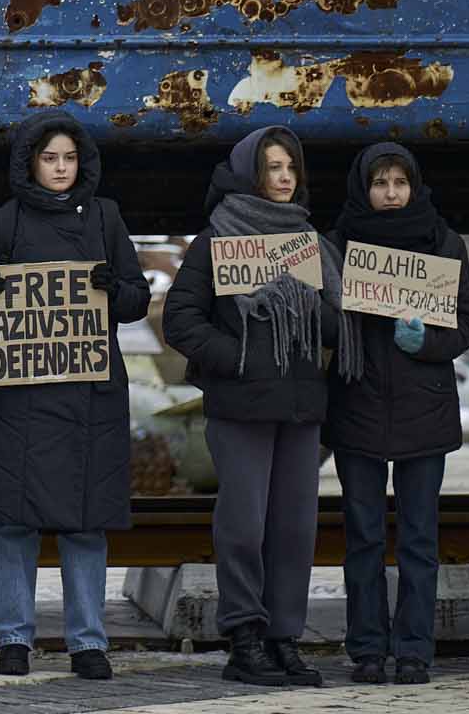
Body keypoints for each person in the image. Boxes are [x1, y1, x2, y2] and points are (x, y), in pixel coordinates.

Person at [0, 112, 150, 681]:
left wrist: (111, 290)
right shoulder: (4, 220)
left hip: (88, 396)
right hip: (21, 395)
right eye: (50, 158)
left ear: (82, 162)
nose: (61, 168)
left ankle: (88, 642)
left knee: (85, 522)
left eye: (69, 158)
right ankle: (14, 638)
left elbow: (138, 298)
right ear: (31, 163)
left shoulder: (105, 215)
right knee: (13, 522)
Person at [163, 126, 347, 688]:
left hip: (299, 407)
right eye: (273, 168)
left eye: (291, 167)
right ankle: (244, 638)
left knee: (293, 529)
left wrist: (306, 308)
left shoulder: (312, 244)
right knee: (243, 526)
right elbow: (180, 320)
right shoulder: (217, 241)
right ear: (251, 174)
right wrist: (235, 355)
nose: (285, 177)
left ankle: (283, 638)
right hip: (239, 407)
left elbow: (342, 325)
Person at [324, 142, 469, 686]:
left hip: (424, 413)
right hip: (358, 410)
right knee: (363, 538)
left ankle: (414, 648)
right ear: (362, 188)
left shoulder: (443, 242)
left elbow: (467, 322)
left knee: (419, 541)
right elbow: (320, 319)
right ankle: (367, 647)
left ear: (414, 186)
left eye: (399, 183)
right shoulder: (338, 245)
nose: (390, 194)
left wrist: (428, 342)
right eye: (379, 183)